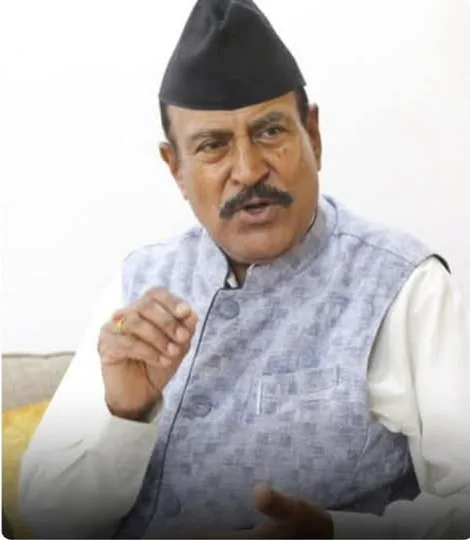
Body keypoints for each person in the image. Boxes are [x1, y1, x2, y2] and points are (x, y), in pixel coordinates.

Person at [19, 0, 470, 538]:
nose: (250, 170)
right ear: (176, 168)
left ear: (313, 135)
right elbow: (45, 522)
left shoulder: (406, 288)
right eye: (213, 145)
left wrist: (337, 533)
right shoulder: (137, 288)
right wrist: (125, 414)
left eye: (270, 132)